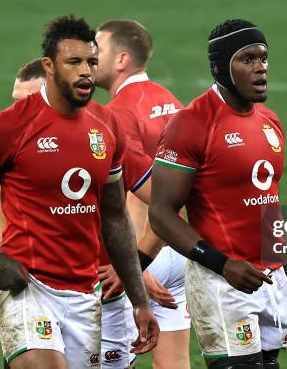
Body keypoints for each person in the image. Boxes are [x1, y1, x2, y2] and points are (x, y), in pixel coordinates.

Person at [0, 15, 159, 369]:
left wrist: (139, 300)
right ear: (50, 67)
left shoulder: (107, 125)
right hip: (28, 287)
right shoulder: (8, 125)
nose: (86, 71)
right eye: (74, 62)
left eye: (91, 62)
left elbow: (114, 218)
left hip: (85, 295)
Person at [149, 19, 287, 369]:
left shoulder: (270, 121)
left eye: (263, 58)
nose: (260, 68)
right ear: (218, 67)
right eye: (247, 59)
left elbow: (269, 212)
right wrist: (223, 265)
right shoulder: (189, 125)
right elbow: (161, 214)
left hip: (271, 279)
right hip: (221, 283)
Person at [93, 19, 190, 369]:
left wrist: (136, 264)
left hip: (141, 254)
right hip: (179, 251)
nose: (90, 56)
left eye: (97, 49)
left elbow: (155, 199)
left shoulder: (115, 114)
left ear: (121, 59)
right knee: (175, 364)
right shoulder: (172, 102)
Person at [0, 58, 46, 241]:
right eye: (16, 101)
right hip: (35, 262)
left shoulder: (94, 134)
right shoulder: (16, 140)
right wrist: (10, 253)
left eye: (28, 102)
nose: (16, 111)